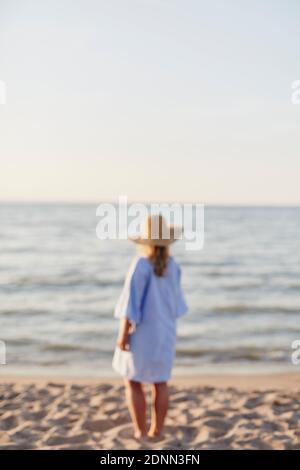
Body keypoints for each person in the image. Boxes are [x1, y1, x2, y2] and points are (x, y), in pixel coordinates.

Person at [112, 214, 188, 439]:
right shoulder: (173, 266)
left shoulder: (141, 265)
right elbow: (178, 305)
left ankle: (140, 430)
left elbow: (131, 304)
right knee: (160, 382)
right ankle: (157, 430)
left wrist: (123, 334)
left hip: (144, 331)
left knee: (133, 380)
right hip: (166, 330)